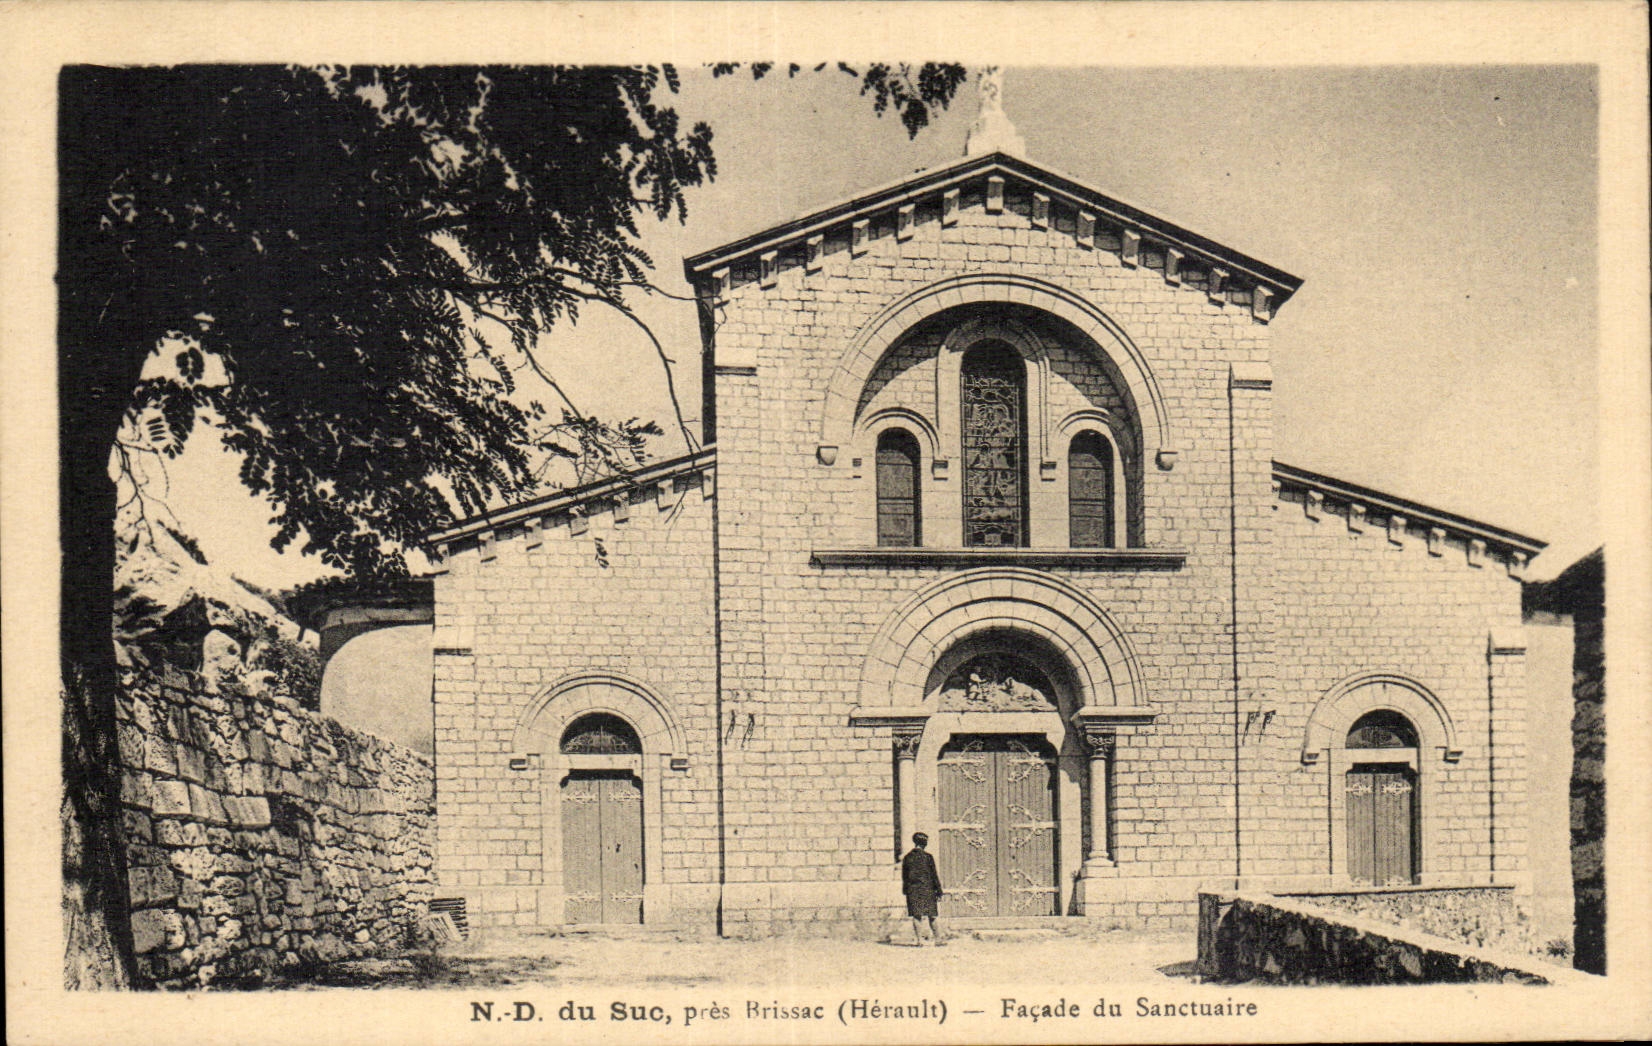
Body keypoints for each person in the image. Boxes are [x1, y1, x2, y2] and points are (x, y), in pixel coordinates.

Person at [900, 832, 944, 946]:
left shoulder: (907, 857)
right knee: (932, 915)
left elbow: (904, 876)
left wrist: (905, 890)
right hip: (927, 889)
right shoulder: (928, 857)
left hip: (913, 889)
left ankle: (920, 940)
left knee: (916, 915)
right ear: (924, 843)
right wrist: (939, 891)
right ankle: (938, 940)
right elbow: (934, 875)